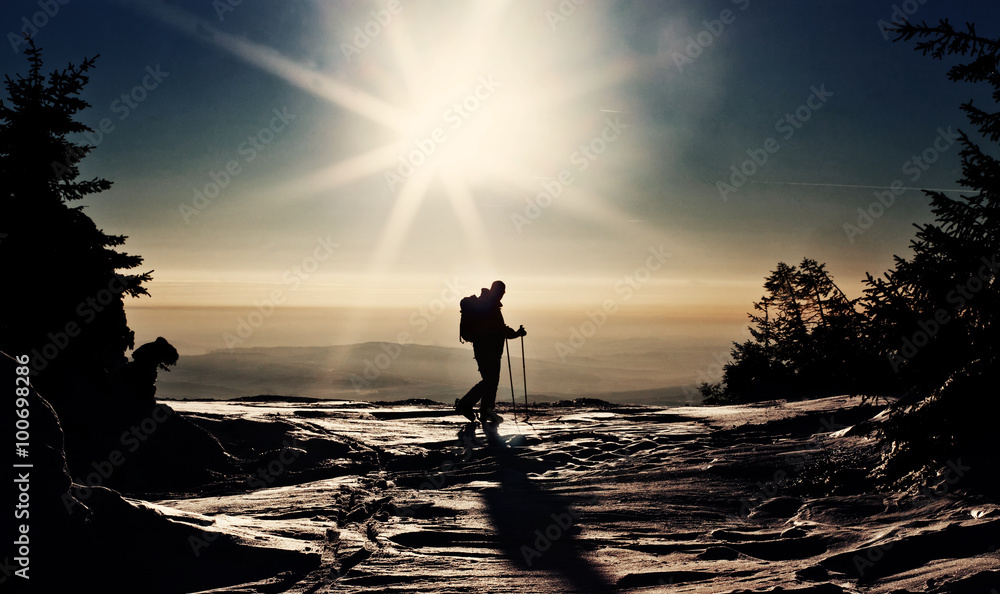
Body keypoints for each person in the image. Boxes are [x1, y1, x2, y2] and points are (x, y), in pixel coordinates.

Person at [455, 280, 526, 424]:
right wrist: (517, 334)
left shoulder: (487, 304)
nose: (502, 295)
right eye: (501, 291)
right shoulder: (490, 307)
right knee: (490, 381)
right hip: (488, 350)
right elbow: (500, 329)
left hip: (486, 349)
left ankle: (486, 410)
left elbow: (498, 329)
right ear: (497, 291)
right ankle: (466, 404)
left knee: (491, 381)